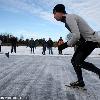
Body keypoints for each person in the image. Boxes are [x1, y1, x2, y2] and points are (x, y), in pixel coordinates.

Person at [53, 4, 100, 87]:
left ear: (58, 12)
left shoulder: (69, 17)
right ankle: (80, 81)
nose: (54, 16)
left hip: (91, 40)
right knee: (74, 61)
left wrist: (64, 45)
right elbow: (79, 35)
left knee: (78, 61)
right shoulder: (66, 21)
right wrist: (77, 42)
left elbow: (76, 35)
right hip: (86, 40)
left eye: (54, 13)